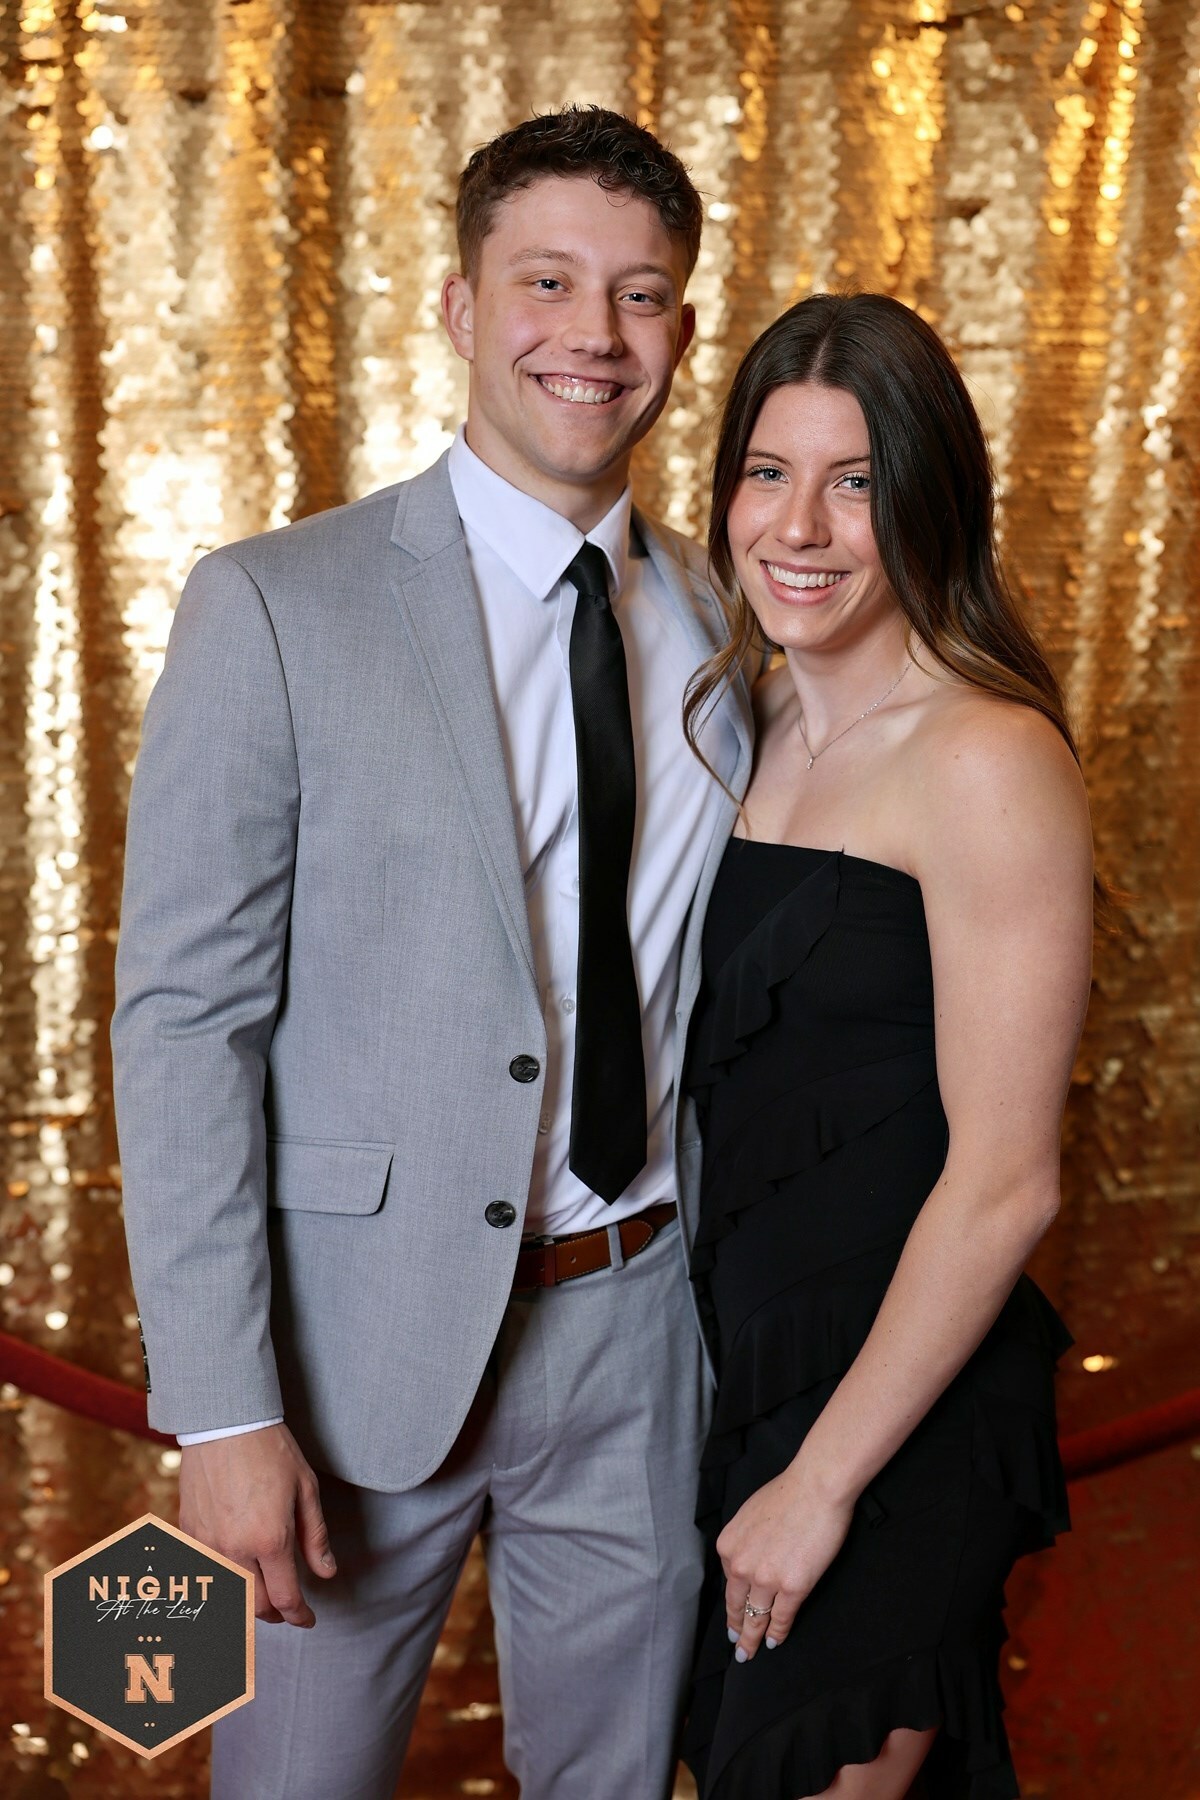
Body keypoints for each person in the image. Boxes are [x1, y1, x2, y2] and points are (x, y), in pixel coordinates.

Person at [110, 107, 753, 1800]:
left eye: (640, 294)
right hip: (344, 1362)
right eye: (546, 282)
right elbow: (182, 1021)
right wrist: (223, 1411)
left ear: (683, 331)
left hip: (640, 1333)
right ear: (461, 306)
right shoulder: (274, 603)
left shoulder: (728, 624)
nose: (593, 333)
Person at [676, 293, 1094, 1800]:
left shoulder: (986, 754)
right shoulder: (749, 721)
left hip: (895, 1413)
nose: (800, 526)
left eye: (854, 481)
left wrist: (822, 1482)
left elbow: (1007, 1183)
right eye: (767, 473)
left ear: (930, 500)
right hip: (751, 1383)